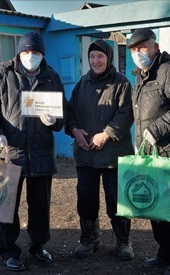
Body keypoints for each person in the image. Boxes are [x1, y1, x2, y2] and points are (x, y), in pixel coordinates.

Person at [0, 31, 66, 271]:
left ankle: (38, 246)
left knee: (40, 206)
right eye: (26, 52)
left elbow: (62, 114)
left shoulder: (52, 77)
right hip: (10, 152)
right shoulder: (2, 74)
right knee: (6, 206)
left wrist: (54, 121)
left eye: (35, 52)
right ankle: (9, 251)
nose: (31, 56)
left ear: (42, 54)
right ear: (19, 52)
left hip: (41, 153)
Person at [127, 28, 170, 275]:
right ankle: (165, 252)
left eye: (142, 47)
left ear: (155, 47)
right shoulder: (141, 77)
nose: (138, 53)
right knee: (157, 205)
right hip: (152, 152)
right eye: (134, 50)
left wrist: (157, 130)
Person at [65, 40, 135, 261]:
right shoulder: (82, 84)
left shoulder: (121, 83)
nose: (96, 61)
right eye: (92, 57)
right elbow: (70, 112)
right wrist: (75, 130)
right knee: (86, 198)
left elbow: (126, 113)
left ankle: (123, 242)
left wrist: (106, 134)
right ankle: (89, 239)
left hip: (114, 154)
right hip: (86, 153)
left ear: (109, 58)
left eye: (100, 57)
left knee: (116, 200)